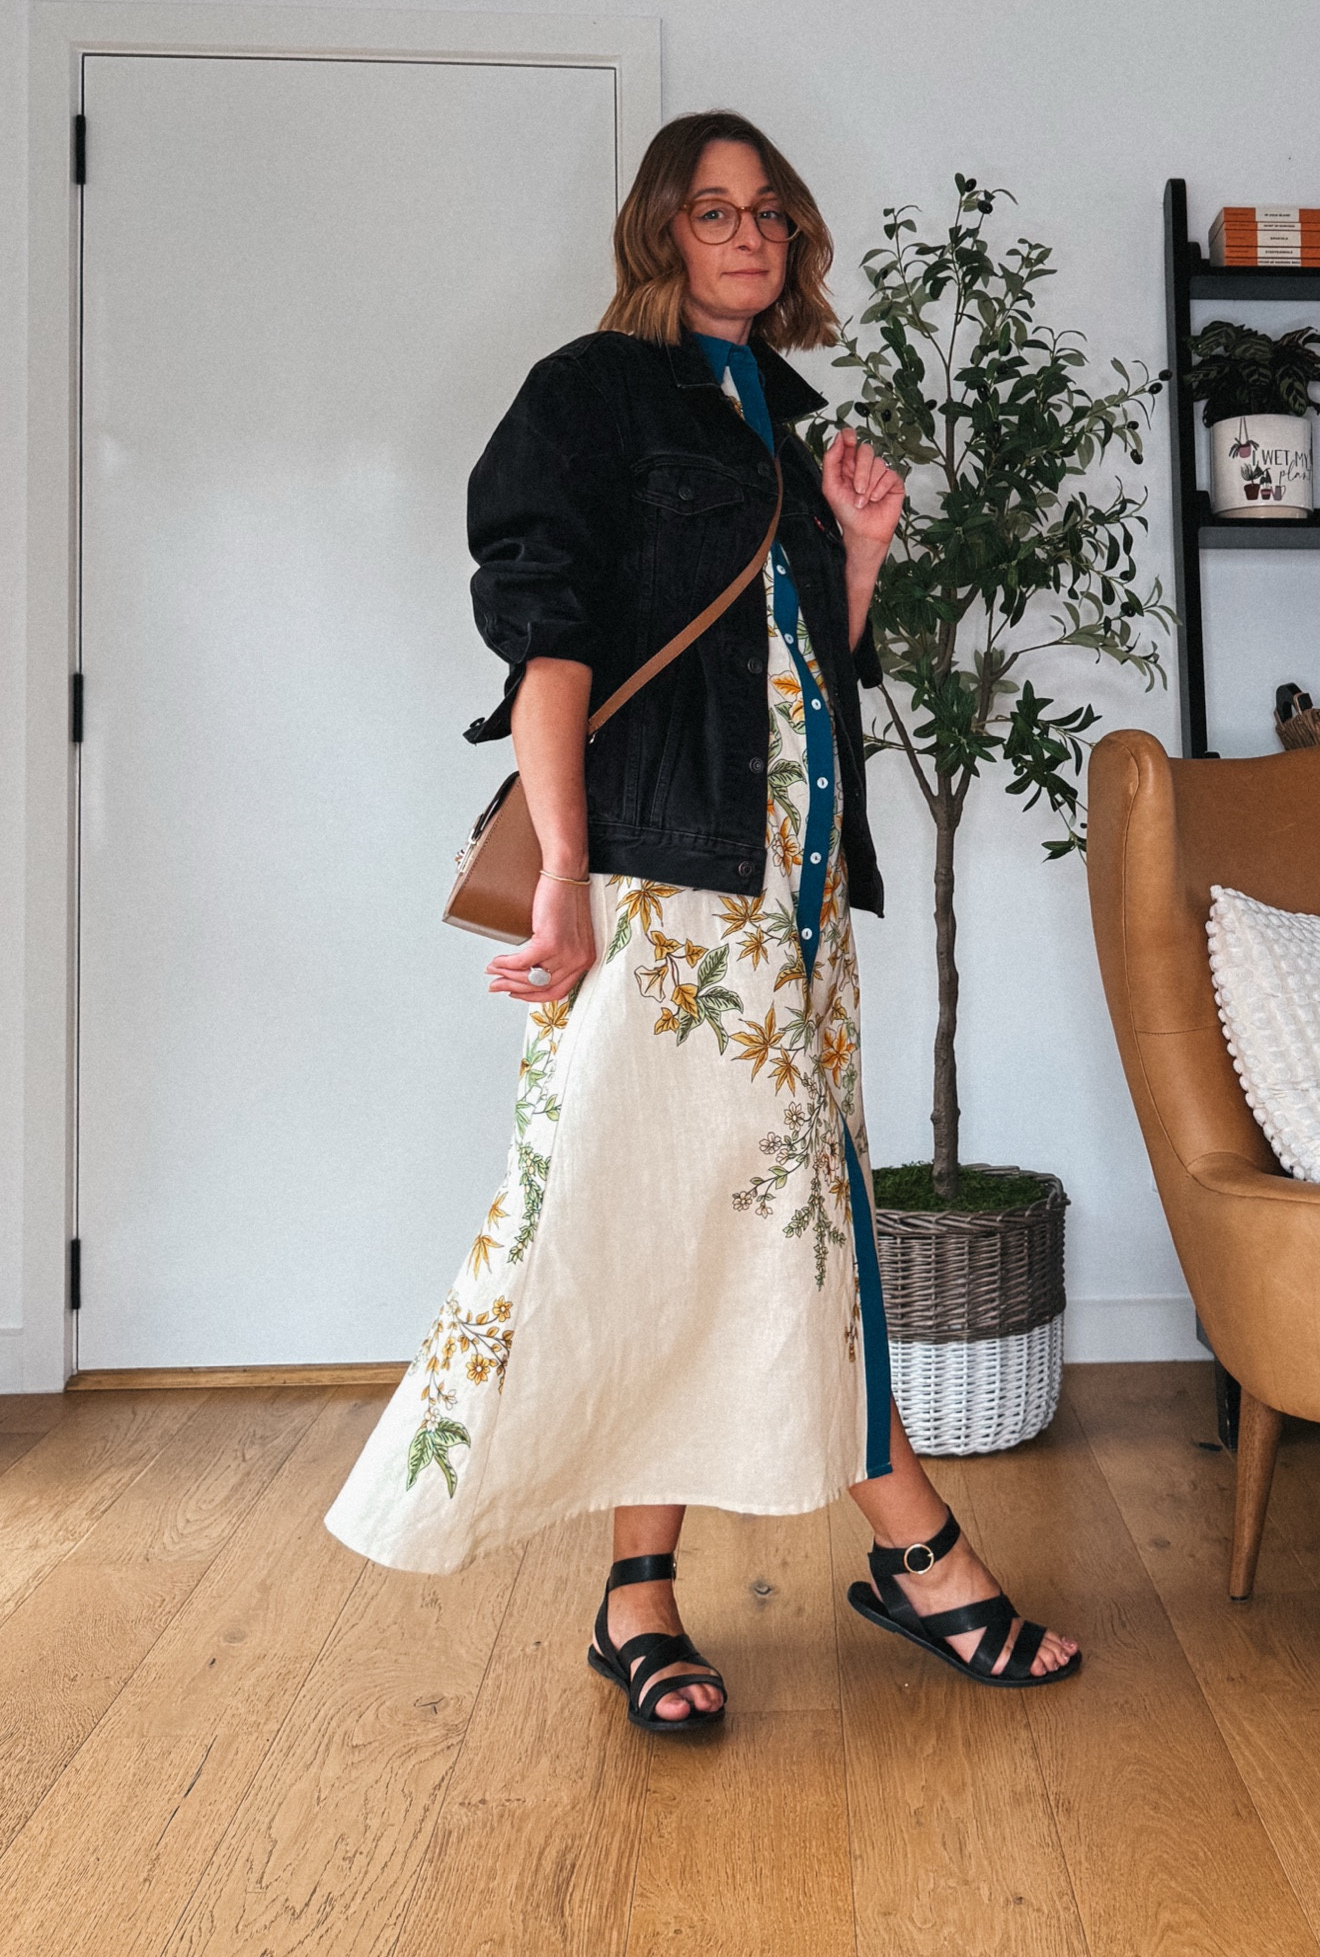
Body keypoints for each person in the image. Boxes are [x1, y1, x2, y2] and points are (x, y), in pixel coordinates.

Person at [323, 109, 1080, 1728]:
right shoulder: (590, 394)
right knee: (657, 1211)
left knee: (733, 1214)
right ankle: (919, 1549)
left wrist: (859, 554)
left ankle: (637, 1596)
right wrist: (563, 880)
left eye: (772, 217)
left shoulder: (788, 426)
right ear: (662, 228)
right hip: (664, 894)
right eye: (714, 210)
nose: (748, 237)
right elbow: (550, 646)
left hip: (795, 900)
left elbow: (803, 676)